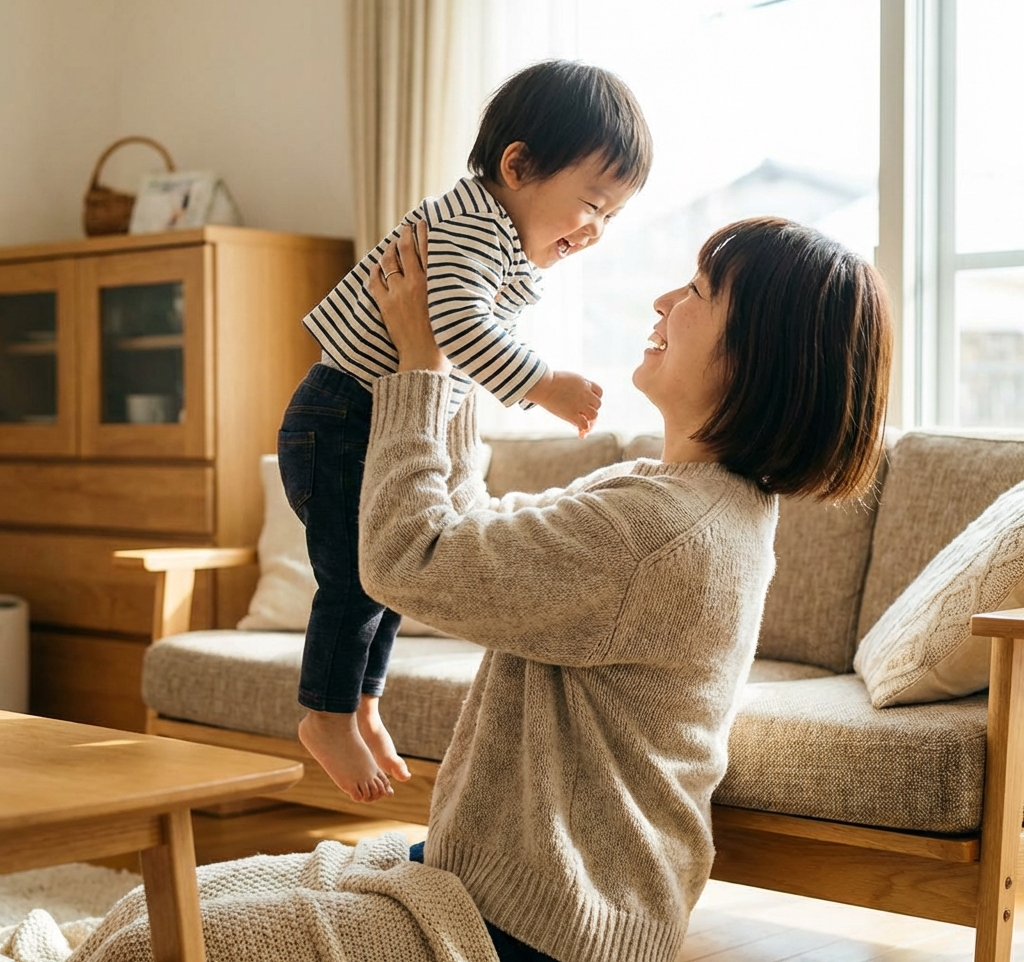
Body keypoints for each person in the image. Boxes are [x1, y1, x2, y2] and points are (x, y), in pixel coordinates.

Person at [356, 216, 893, 962]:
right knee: (185, 910)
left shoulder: (656, 531)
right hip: (529, 892)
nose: (663, 300)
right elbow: (475, 530)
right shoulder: (685, 498)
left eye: (700, 291)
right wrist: (452, 368)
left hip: (534, 923)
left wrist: (416, 372)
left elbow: (407, 556)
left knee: (154, 931)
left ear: (757, 358)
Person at [278, 60, 653, 804]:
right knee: (354, 581)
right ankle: (323, 716)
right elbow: (454, 325)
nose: (597, 231)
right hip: (341, 415)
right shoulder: (471, 223)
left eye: (612, 217)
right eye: (591, 204)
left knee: (383, 579)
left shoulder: (497, 238)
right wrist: (545, 383)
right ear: (518, 165)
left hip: (363, 417)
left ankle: (361, 705)